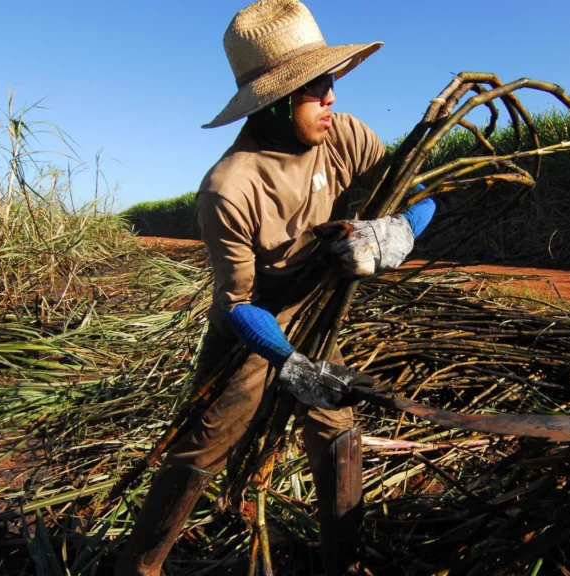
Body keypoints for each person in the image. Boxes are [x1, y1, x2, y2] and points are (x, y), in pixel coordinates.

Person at [114, 1, 437, 575]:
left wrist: (400, 230)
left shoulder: (346, 136)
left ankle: (344, 562)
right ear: (275, 99)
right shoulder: (230, 188)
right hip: (253, 332)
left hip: (315, 312)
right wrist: (290, 363)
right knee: (204, 445)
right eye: (316, 88)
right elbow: (237, 304)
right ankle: (138, 567)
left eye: (330, 81)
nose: (331, 97)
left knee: (338, 430)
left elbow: (418, 193)